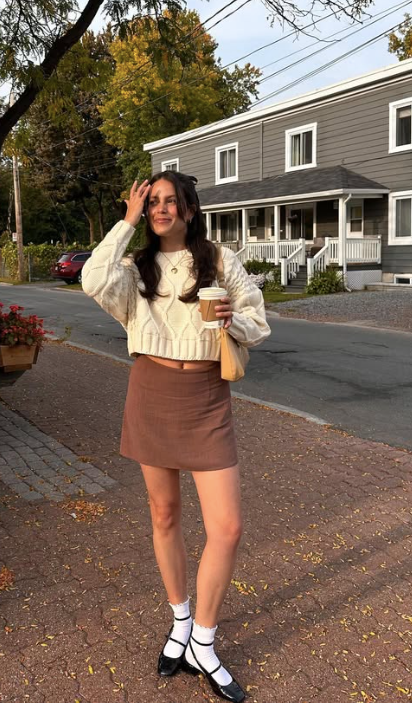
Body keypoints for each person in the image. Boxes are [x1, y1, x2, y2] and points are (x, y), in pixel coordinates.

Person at [81, 170, 270, 703]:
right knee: (164, 514)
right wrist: (126, 221)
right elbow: (92, 279)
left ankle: (203, 644)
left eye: (170, 201)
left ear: (189, 209)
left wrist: (232, 321)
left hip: (207, 397)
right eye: (153, 202)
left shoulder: (220, 261)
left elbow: (259, 322)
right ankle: (181, 621)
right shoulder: (133, 268)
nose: (161, 209)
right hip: (152, 391)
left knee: (227, 527)